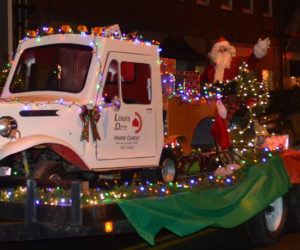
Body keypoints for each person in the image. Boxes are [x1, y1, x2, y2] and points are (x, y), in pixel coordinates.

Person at [200, 37, 271, 83]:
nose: (222, 52)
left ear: (229, 51)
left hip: (231, 101)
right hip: (213, 101)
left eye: (225, 49)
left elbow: (250, 61)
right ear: (214, 53)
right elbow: (200, 81)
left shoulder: (235, 62)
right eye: (219, 50)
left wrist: (258, 52)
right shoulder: (210, 69)